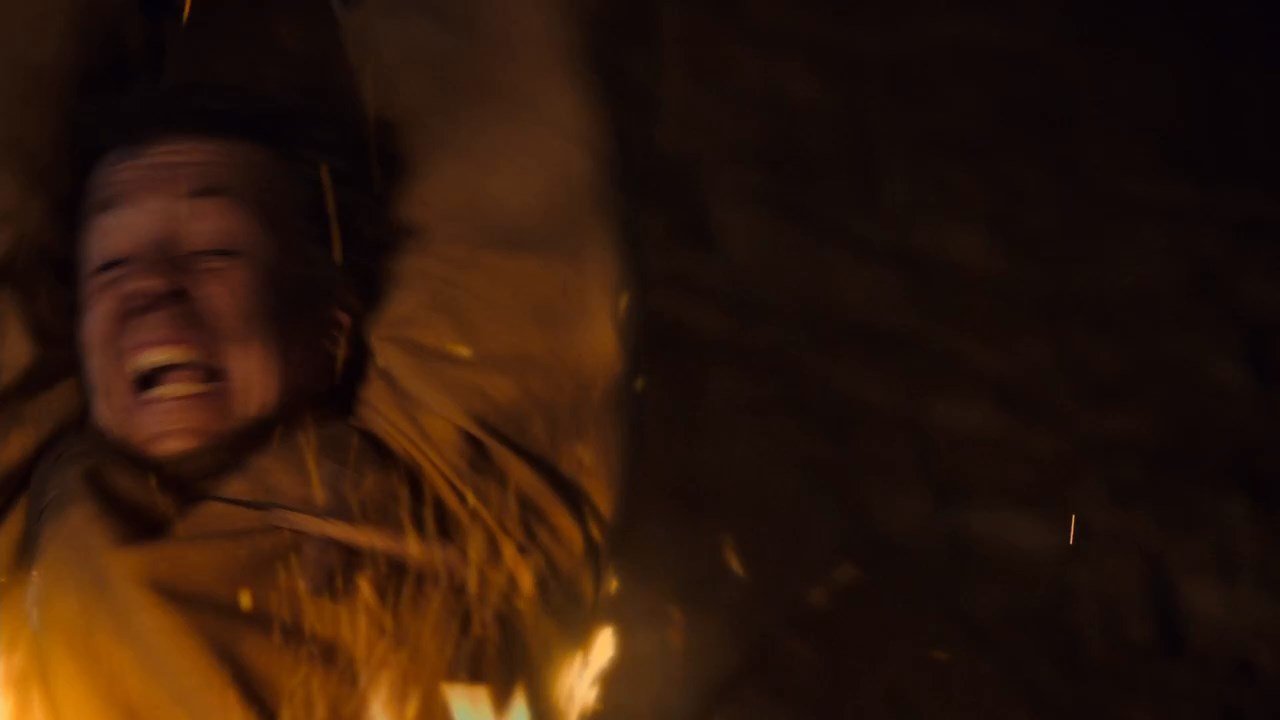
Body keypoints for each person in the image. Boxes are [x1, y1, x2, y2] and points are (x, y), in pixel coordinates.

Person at [0, 6, 625, 718]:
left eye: (215, 251)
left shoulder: (465, 516)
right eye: (110, 264)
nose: (153, 285)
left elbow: (503, 171)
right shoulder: (24, 533)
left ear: (332, 327)